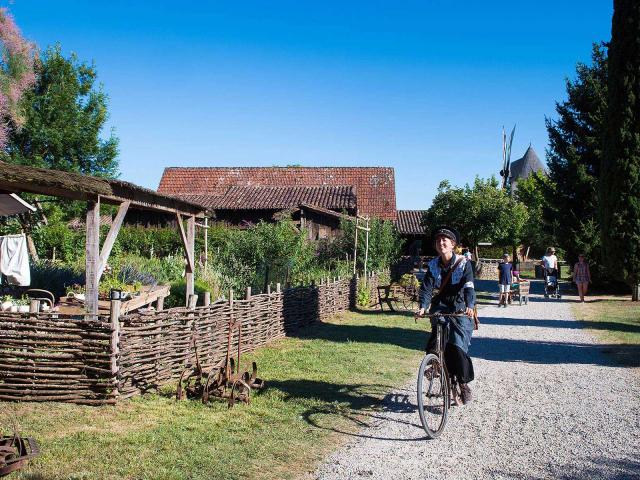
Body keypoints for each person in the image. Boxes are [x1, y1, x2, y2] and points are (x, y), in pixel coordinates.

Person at [416, 226, 476, 405]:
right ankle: (435, 363)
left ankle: (463, 383)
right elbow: (426, 287)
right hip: (441, 305)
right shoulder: (433, 265)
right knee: (436, 337)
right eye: (438, 240)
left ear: (453, 244)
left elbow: (469, 286)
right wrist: (423, 306)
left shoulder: (464, 263)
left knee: (457, 346)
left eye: (445, 240)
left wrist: (470, 305)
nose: (441, 243)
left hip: (459, 306)